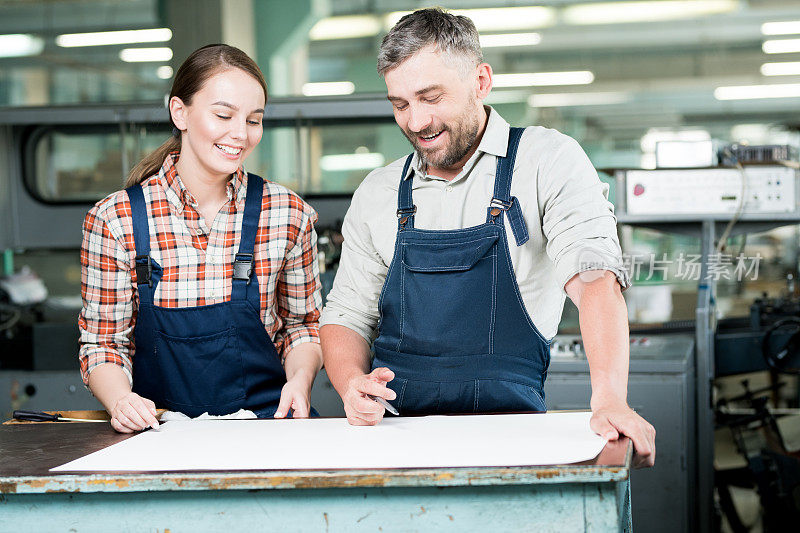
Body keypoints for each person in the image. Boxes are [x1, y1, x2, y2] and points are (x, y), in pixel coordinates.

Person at [320, 8, 656, 468]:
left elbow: (593, 276)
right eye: (400, 105)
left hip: (514, 441)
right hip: (392, 444)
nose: (416, 121)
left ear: (481, 81)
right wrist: (349, 383)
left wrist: (610, 399)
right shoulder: (378, 193)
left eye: (431, 97)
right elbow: (346, 316)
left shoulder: (545, 161)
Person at [79, 44, 323, 433]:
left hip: (268, 429)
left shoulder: (287, 213)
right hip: (158, 434)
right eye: (224, 115)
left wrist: (300, 380)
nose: (240, 134)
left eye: (254, 120)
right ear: (181, 112)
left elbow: (302, 325)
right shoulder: (115, 220)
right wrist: (121, 401)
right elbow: (103, 343)